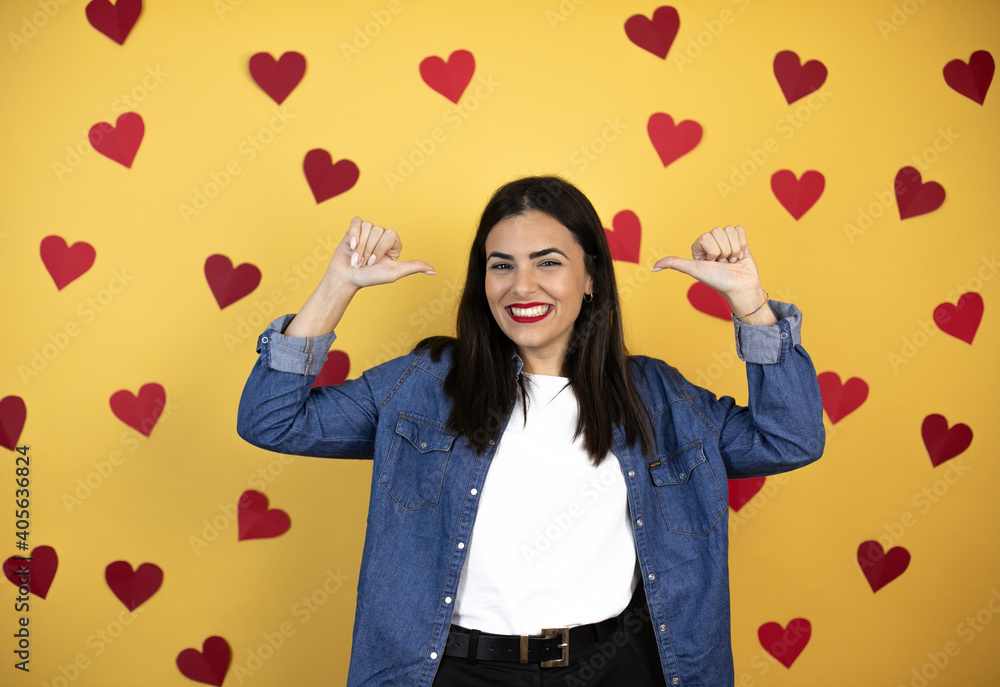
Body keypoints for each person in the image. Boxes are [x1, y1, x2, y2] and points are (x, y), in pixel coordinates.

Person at [237, 175, 825, 687]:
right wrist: (338, 286)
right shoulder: (422, 384)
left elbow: (790, 438)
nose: (522, 286)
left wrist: (749, 302)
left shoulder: (657, 396)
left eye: (547, 262)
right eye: (502, 265)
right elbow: (272, 420)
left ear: (590, 277)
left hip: (616, 666)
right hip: (453, 671)